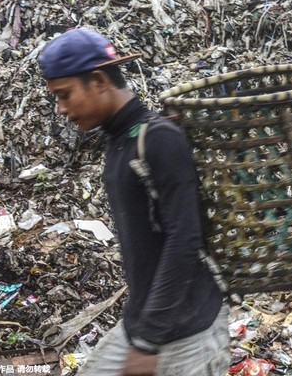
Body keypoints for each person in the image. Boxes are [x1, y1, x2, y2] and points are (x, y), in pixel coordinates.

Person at [39, 28, 229, 376]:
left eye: (64, 95)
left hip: (188, 335)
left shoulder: (157, 139)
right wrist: (142, 334)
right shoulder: (121, 140)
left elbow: (185, 240)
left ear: (98, 80)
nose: (61, 108)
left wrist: (147, 343)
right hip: (142, 325)